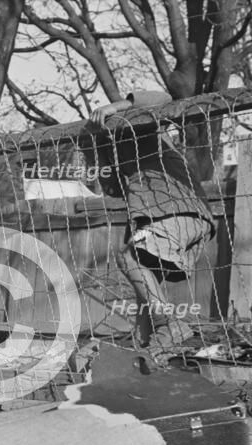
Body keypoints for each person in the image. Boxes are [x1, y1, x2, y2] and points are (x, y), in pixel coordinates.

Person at [88, 91, 216, 355]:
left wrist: (115, 107)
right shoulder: (111, 144)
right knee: (146, 286)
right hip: (159, 216)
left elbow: (163, 96)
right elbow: (112, 189)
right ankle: (150, 351)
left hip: (179, 209)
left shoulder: (144, 124)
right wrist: (96, 148)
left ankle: (168, 324)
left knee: (128, 257)